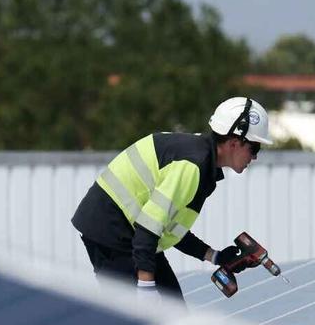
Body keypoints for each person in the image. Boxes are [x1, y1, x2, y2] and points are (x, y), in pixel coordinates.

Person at [72, 97, 272, 303]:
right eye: (254, 148)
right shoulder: (192, 166)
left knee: (172, 312)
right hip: (111, 231)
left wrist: (215, 256)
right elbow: (149, 227)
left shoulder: (202, 160)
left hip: (128, 230)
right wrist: (146, 288)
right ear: (234, 142)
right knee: (142, 321)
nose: (255, 157)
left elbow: (168, 225)